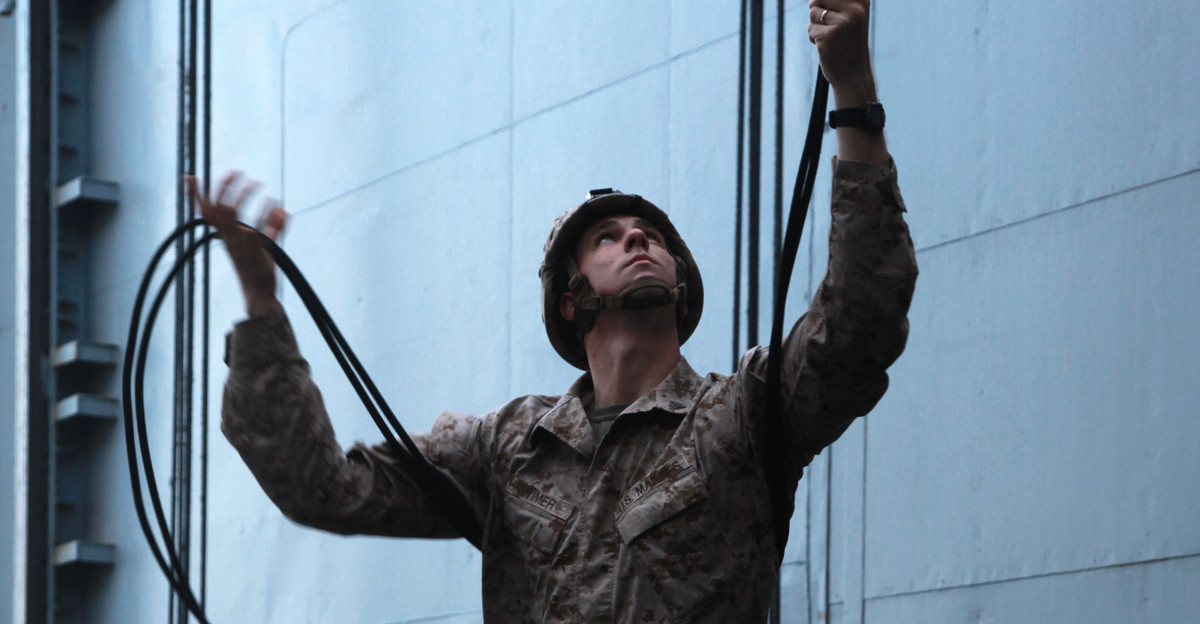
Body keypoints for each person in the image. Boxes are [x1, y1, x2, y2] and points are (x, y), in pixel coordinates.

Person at [187, 0, 917, 620]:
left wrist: (852, 91)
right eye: (609, 238)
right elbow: (324, 488)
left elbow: (859, 324)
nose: (638, 238)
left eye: (653, 238)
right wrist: (260, 304)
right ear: (572, 303)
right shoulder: (507, 449)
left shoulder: (745, 414)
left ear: (681, 285)